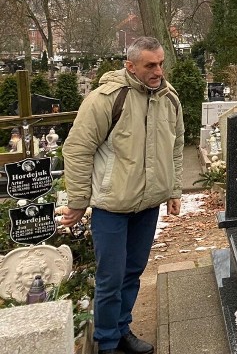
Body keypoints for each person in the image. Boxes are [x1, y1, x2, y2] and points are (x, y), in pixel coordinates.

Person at [61, 37, 184, 354]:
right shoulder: (106, 99)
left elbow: (175, 148)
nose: (158, 71)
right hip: (112, 208)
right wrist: (77, 201)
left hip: (147, 206)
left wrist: (173, 190)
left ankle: (122, 329)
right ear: (130, 66)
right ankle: (106, 342)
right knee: (110, 279)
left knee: (132, 273)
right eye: (150, 65)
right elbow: (77, 149)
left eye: (160, 63)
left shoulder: (169, 98)